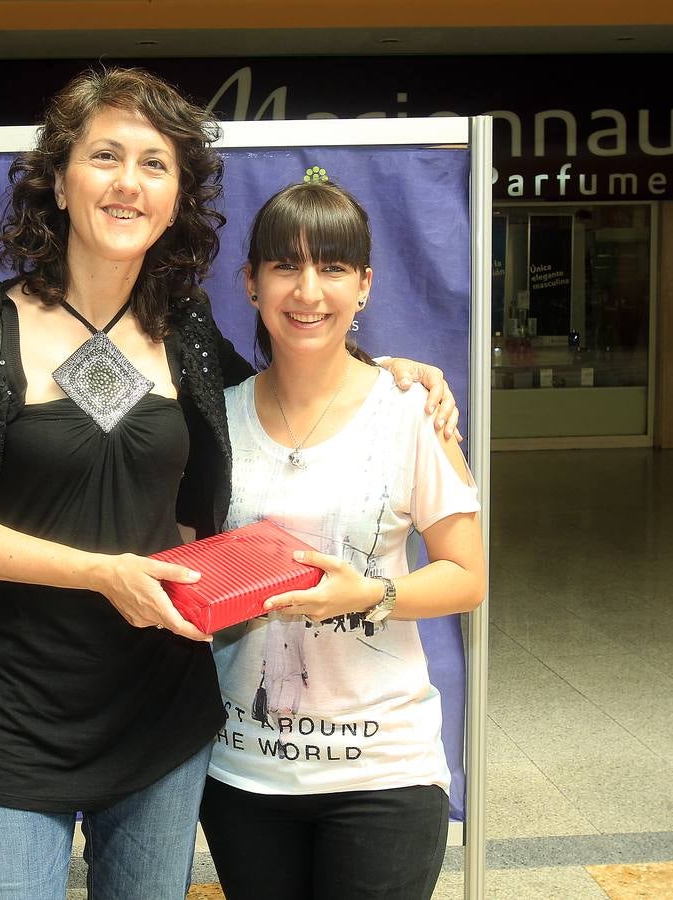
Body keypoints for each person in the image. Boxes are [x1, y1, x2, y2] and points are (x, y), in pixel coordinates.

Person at [0, 68, 460, 900]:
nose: (129, 182)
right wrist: (100, 572)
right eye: (105, 156)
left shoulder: (185, 329)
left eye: (154, 164)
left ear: (174, 202)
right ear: (59, 181)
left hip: (162, 719)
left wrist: (389, 373)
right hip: (9, 718)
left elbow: (283, 391)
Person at [199, 181, 487, 899]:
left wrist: (370, 595)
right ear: (252, 283)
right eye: (285, 267)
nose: (308, 291)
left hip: (383, 771)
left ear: (364, 285)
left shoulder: (411, 412)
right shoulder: (216, 419)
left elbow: (467, 575)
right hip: (245, 771)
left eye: (332, 268)